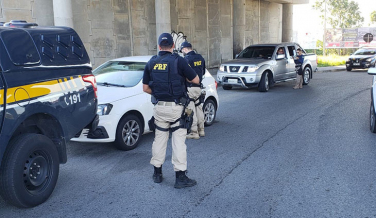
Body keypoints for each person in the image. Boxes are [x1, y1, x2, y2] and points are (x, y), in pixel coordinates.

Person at [143, 33, 200, 189]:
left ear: (159, 46)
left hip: (159, 108)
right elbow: (196, 80)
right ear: (173, 46)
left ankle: (157, 173)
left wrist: (159, 93)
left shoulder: (151, 62)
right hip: (176, 108)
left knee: (159, 139)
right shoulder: (179, 61)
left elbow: (145, 88)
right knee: (178, 142)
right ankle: (180, 177)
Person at [180, 41, 206, 139]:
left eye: (182, 50)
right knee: (199, 108)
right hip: (198, 87)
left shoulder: (186, 59)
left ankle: (194, 132)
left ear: (185, 49)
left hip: (190, 87)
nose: (182, 52)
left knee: (190, 110)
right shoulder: (200, 57)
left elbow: (184, 74)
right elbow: (203, 71)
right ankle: (201, 130)